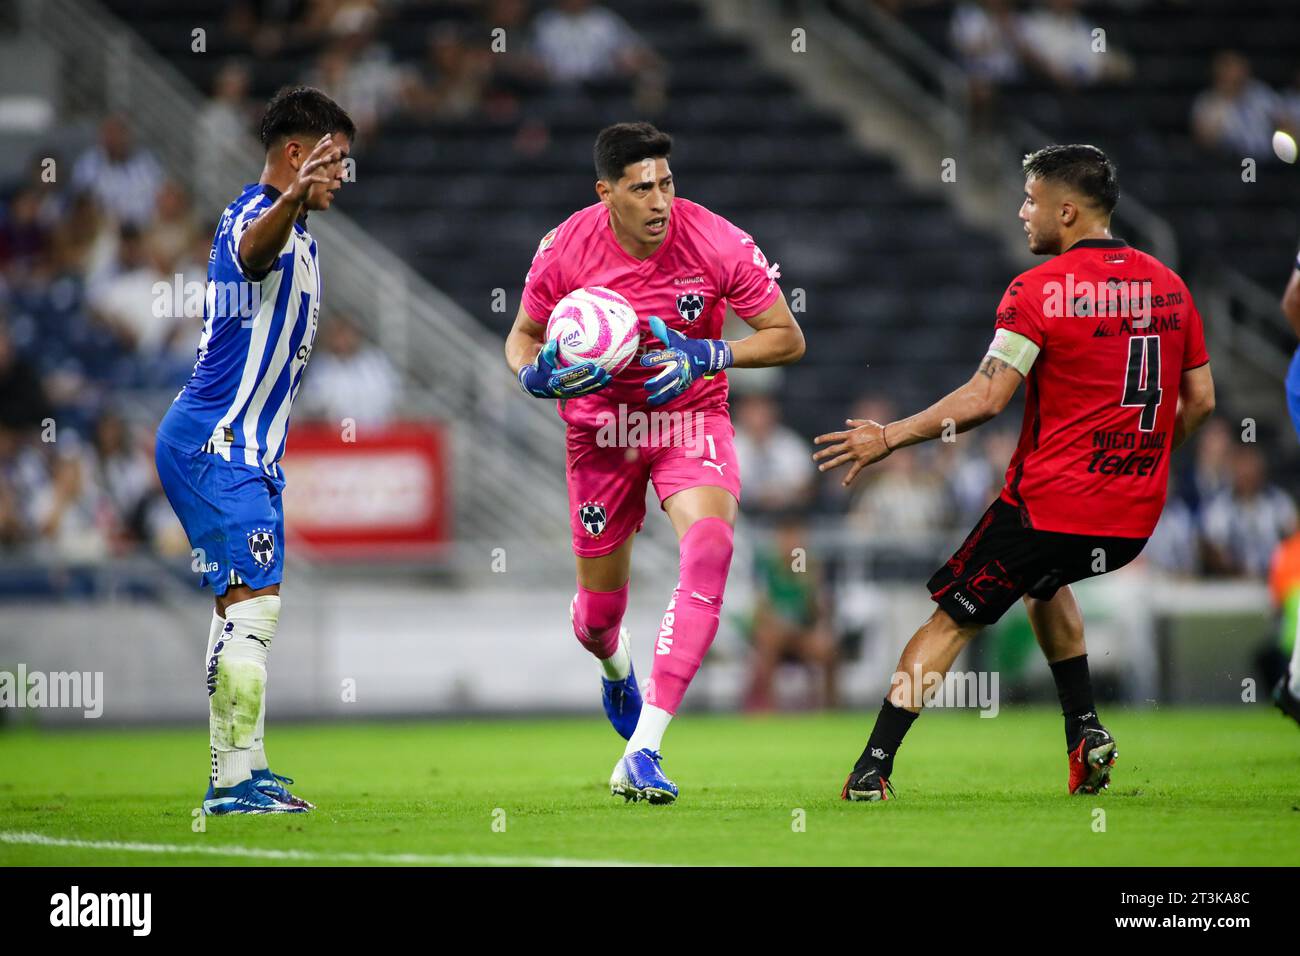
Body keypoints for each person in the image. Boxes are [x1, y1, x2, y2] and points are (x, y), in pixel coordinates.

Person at [815, 145, 1215, 801]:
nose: (1022, 212)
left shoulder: (1040, 290)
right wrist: (1141, 464)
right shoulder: (1170, 286)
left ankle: (871, 768)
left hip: (1049, 507)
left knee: (949, 621)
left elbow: (986, 399)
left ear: (1066, 210)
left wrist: (888, 437)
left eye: (1031, 200)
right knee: (1044, 583)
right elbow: (1201, 402)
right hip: (1132, 519)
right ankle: (1085, 735)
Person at [504, 122, 804, 804]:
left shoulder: (718, 241)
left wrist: (711, 353)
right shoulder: (564, 248)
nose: (660, 200)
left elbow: (788, 336)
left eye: (667, 183)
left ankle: (645, 747)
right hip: (600, 432)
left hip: (686, 416)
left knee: (711, 546)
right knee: (598, 618)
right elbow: (521, 337)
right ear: (606, 193)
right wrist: (534, 376)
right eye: (642, 188)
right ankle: (615, 665)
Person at [154, 86, 354, 815]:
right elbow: (249, 252)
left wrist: (297, 206)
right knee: (254, 611)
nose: (341, 177)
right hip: (217, 446)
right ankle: (229, 786)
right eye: (333, 163)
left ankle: (247, 766)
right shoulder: (257, 216)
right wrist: (292, 199)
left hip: (243, 453)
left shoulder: (298, 230)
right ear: (297, 155)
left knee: (241, 606)